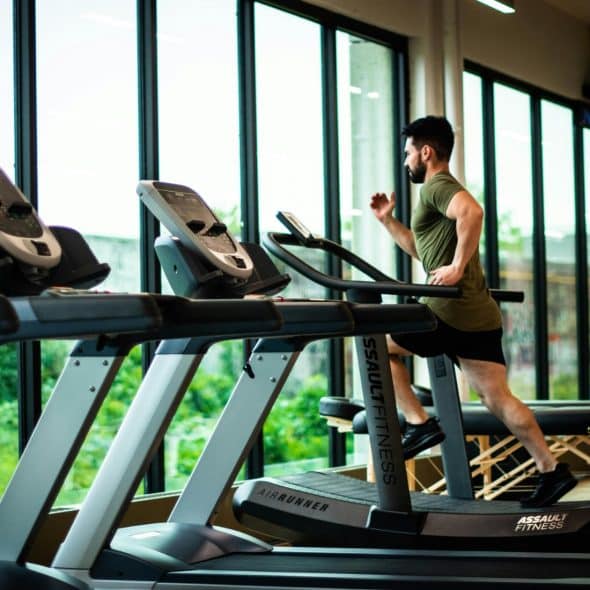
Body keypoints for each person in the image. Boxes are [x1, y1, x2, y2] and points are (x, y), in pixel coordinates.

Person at [369, 115, 577, 508]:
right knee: (497, 398)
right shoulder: (436, 194)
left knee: (376, 343)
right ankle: (551, 470)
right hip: (478, 314)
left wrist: (458, 268)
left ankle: (419, 424)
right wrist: (388, 221)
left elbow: (473, 213)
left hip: (446, 310)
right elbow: (422, 250)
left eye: (408, 153)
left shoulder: (438, 186)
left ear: (425, 152)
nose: (406, 161)